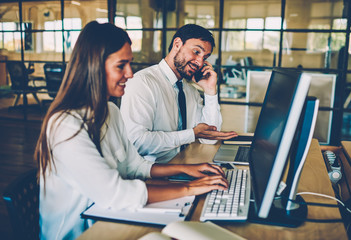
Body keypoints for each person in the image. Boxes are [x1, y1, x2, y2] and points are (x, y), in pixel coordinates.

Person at [34, 21, 229, 240]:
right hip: (83, 232)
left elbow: (134, 166)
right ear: (94, 66)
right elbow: (114, 192)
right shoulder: (65, 124)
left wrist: (186, 172)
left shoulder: (109, 111)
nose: (130, 74)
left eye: (130, 64)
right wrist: (189, 189)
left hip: (110, 216)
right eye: (121, 66)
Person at [120, 24, 238, 163]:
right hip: (151, 175)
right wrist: (191, 134)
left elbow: (208, 138)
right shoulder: (143, 83)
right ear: (177, 44)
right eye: (196, 51)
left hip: (184, 166)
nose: (200, 62)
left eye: (205, 57)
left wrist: (210, 91)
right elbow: (137, 143)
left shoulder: (190, 89)